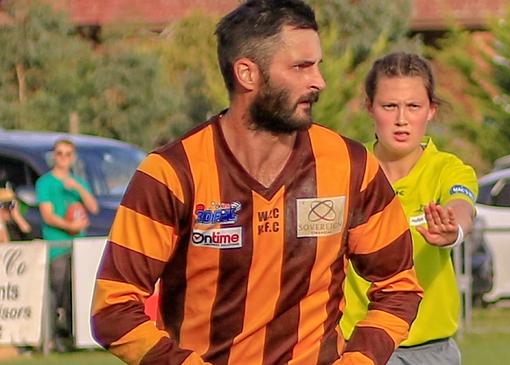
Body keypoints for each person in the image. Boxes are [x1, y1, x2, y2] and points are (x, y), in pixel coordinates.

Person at [91, 1, 423, 365]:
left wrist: (357, 361)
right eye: (301, 67)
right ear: (247, 74)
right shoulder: (172, 173)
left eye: (318, 66)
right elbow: (113, 308)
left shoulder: (351, 165)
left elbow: (399, 286)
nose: (319, 82)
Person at [341, 52, 478, 365]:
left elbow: (462, 208)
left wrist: (453, 230)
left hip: (430, 352)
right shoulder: (345, 171)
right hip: (357, 349)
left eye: (413, 106)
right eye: (390, 106)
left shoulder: (448, 169)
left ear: (431, 110)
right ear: (369, 108)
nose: (401, 118)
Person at [35, 138, 99, 351]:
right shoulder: (45, 183)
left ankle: (74, 337)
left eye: (68, 154)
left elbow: (93, 208)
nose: (63, 158)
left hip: (78, 247)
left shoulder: (77, 182)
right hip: (57, 246)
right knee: (57, 292)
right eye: (60, 153)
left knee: (77, 293)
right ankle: (51, 337)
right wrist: (70, 226)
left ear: (73, 157)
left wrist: (78, 189)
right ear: (54, 155)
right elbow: (48, 215)